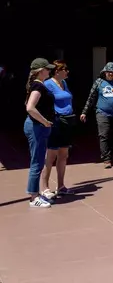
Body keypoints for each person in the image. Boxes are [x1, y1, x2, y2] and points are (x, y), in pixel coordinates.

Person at [80, 62, 113, 169]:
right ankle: (106, 158)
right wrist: (84, 112)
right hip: (102, 112)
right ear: (104, 72)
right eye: (109, 72)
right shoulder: (99, 82)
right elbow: (91, 98)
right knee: (104, 135)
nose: (111, 74)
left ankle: (111, 151)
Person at [24, 58, 56, 208]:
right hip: (37, 127)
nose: (49, 71)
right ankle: (33, 197)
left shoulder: (38, 85)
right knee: (36, 162)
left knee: (38, 160)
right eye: (47, 69)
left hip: (38, 126)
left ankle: (35, 193)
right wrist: (44, 121)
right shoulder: (38, 86)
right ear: (40, 71)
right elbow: (30, 107)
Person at [42, 60, 76, 198]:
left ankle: (61, 186)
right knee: (51, 155)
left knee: (63, 154)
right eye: (65, 69)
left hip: (67, 121)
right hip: (56, 121)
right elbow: (44, 103)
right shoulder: (48, 84)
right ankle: (44, 187)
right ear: (57, 71)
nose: (67, 72)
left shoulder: (64, 83)